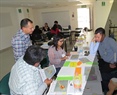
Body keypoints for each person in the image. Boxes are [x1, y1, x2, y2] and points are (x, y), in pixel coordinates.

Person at [90, 27, 117, 91]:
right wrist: (92, 42)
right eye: (95, 37)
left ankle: (105, 89)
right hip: (104, 61)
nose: (96, 38)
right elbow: (92, 52)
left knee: (101, 75)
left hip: (112, 63)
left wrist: (115, 63)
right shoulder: (98, 42)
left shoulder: (110, 41)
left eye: (98, 37)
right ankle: (100, 86)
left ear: (103, 35)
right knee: (94, 69)